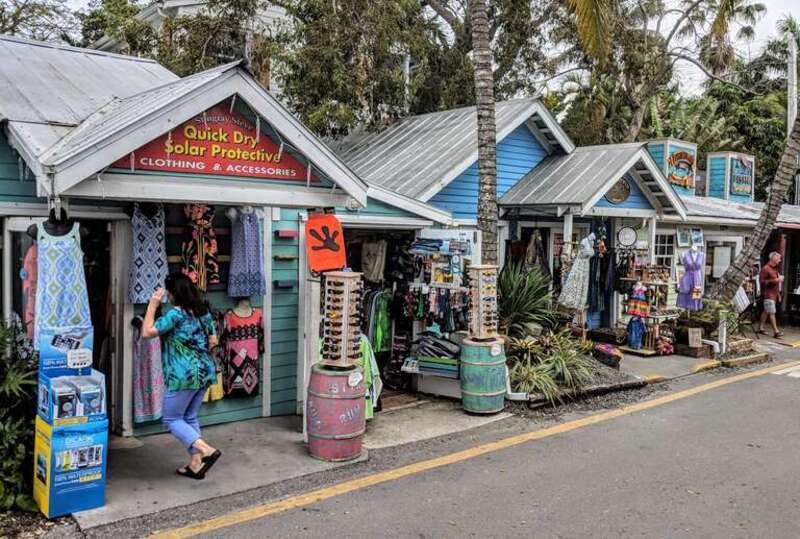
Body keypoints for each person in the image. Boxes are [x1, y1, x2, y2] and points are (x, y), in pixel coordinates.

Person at [142, 272, 222, 479]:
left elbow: (147, 332)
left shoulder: (175, 315)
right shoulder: (202, 312)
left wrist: (152, 305)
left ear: (173, 294)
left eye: (168, 292)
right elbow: (213, 340)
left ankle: (206, 450)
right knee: (189, 417)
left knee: (171, 418)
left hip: (183, 375)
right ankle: (195, 464)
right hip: (204, 372)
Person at [759, 252, 784, 338]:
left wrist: (778, 294)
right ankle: (776, 332)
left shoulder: (774, 269)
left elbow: (776, 284)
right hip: (768, 294)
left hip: (773, 294)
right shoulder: (766, 268)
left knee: (766, 311)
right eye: (779, 259)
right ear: (774, 258)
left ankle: (761, 328)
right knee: (772, 312)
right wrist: (776, 280)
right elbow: (762, 282)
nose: (779, 261)